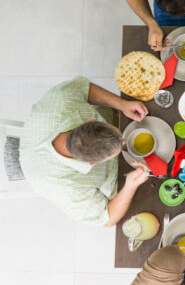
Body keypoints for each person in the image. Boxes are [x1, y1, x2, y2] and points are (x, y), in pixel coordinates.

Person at [20, 77, 149, 227]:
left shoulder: (62, 100)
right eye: (121, 146)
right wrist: (130, 186)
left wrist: (123, 104)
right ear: (92, 163)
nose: (125, 142)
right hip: (113, 180)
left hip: (61, 121)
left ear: (90, 121)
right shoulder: (66, 188)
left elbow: (84, 88)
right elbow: (107, 218)